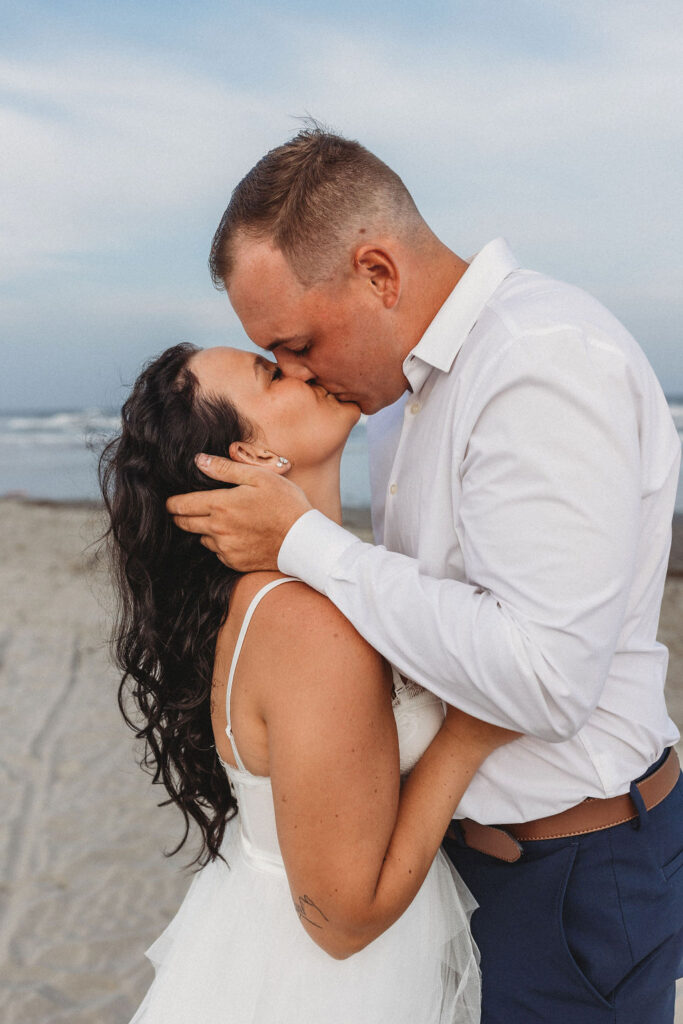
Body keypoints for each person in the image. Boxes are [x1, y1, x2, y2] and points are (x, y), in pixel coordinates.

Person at [168, 128, 683, 1022]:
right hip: (461, 870)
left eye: (294, 342)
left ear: (377, 272)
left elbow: (542, 680)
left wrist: (306, 545)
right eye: (272, 359)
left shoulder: (538, 364)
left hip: (571, 871)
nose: (296, 372)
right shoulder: (393, 403)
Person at [101, 341, 518, 1024]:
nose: (297, 364)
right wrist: (469, 738)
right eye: (271, 374)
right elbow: (342, 923)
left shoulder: (287, 593)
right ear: (252, 458)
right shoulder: (306, 623)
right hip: (331, 984)